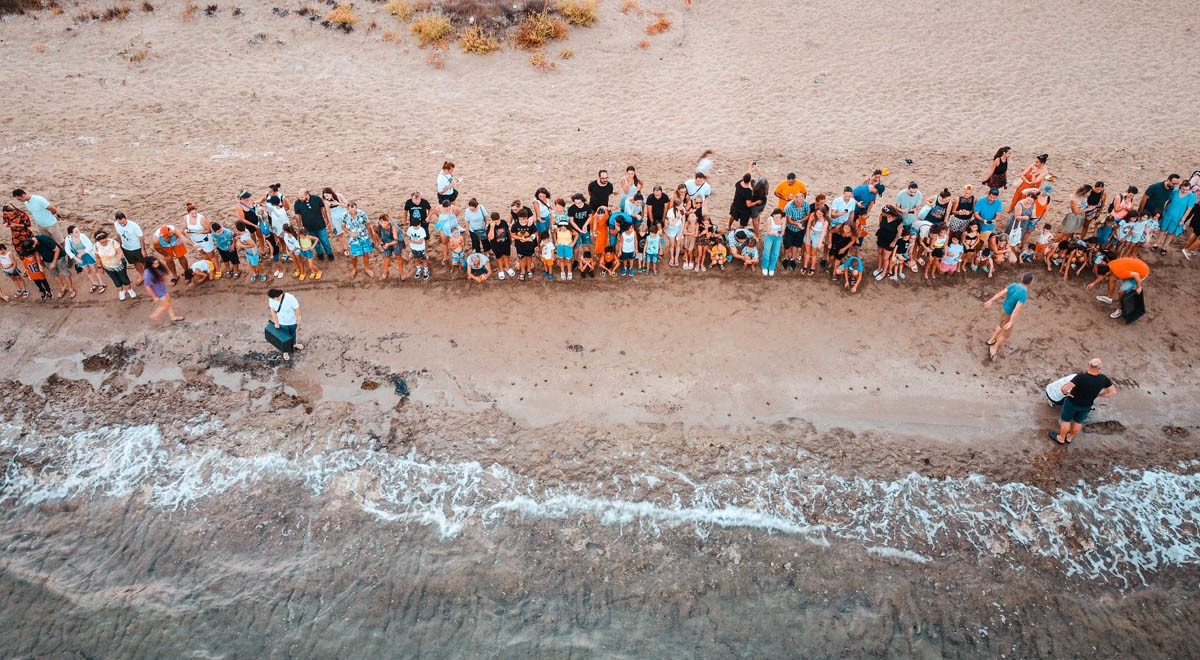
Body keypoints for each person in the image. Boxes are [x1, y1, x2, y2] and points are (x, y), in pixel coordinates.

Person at [1049, 358, 1116, 445]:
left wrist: (1066, 393)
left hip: (1072, 403)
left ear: (1089, 365)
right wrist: (1100, 395)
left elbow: (1064, 388)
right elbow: (1112, 391)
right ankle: (1070, 437)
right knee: (1078, 421)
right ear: (1100, 367)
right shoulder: (1103, 379)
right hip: (1086, 405)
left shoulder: (1080, 377)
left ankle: (1061, 438)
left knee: (1066, 420)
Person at [983, 273, 1033, 360]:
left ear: (1022, 279)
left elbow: (1000, 294)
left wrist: (990, 300)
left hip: (1003, 309)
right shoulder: (1024, 294)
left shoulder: (1013, 285)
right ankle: (994, 348)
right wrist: (1011, 321)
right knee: (1006, 335)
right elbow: (1016, 309)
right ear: (1030, 283)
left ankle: (991, 340)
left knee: (1000, 325)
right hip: (1009, 314)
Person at [1153, 180, 1195, 255]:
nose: (1185, 191)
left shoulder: (1191, 196)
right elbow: (1169, 201)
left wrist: (1183, 220)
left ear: (1189, 189)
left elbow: (1189, 209)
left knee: (1171, 232)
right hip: (1168, 213)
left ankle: (1164, 247)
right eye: (1183, 189)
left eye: (1187, 190)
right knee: (1162, 229)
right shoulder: (1175, 191)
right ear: (1180, 187)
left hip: (1178, 217)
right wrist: (1164, 210)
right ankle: (1156, 244)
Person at [63, 225, 105, 294]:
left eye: (78, 231)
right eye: (76, 232)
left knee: (94, 270)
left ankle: (101, 283)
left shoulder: (82, 236)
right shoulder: (68, 239)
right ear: (71, 234)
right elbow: (67, 250)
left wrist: (81, 254)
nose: (78, 233)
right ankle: (95, 283)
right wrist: (75, 258)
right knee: (87, 271)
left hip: (87, 254)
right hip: (78, 257)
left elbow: (90, 246)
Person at [293, 190, 333, 261]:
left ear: (307, 195)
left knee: (325, 240)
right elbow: (297, 215)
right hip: (308, 227)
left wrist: (325, 218)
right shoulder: (297, 203)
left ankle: (329, 253)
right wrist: (299, 226)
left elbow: (323, 208)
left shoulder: (316, 198)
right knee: (315, 242)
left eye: (302, 197)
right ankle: (320, 253)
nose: (300, 199)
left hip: (320, 224)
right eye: (299, 197)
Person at [143, 256, 183, 323]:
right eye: (155, 264)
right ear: (150, 265)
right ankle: (154, 316)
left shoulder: (159, 267)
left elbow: (163, 276)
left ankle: (172, 317)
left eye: (157, 263)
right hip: (157, 292)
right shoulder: (147, 274)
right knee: (165, 305)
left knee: (169, 302)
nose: (157, 265)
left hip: (163, 288)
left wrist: (168, 283)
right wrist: (154, 297)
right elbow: (147, 286)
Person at [267, 288, 302, 360]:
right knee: (284, 338)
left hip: (292, 322)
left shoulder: (290, 298)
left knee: (293, 334)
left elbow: (297, 308)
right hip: (282, 322)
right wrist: (276, 323)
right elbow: (273, 311)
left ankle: (294, 344)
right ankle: (285, 351)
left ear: (277, 296)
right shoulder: (272, 299)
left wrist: (298, 319)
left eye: (273, 298)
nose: (272, 300)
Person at [343, 201, 375, 278]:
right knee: (353, 256)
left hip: (364, 237)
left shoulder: (362, 214)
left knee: (365, 253)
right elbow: (343, 227)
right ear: (347, 209)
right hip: (353, 239)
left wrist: (372, 237)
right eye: (351, 211)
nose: (353, 212)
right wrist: (350, 233)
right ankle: (354, 269)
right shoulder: (345, 216)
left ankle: (367, 269)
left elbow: (368, 226)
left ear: (356, 208)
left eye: (354, 210)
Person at [113, 212, 146, 285]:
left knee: (144, 262)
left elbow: (141, 237)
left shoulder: (134, 226)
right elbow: (118, 234)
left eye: (124, 223)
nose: (122, 225)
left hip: (137, 247)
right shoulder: (116, 224)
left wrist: (143, 250)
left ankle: (151, 276)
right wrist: (120, 244)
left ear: (126, 218)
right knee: (135, 263)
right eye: (120, 223)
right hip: (126, 248)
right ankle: (142, 275)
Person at [782, 192, 809, 271]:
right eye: (798, 203)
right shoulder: (789, 206)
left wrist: (801, 220)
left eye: (801, 203)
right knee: (787, 245)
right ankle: (786, 258)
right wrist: (797, 224)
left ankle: (793, 259)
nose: (800, 205)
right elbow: (789, 220)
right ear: (795, 200)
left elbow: (808, 215)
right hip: (790, 228)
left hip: (800, 229)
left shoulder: (806, 203)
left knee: (796, 245)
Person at [321, 188, 350, 257]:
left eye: (327, 195)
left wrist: (338, 203)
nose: (326, 197)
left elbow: (348, 205)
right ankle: (345, 248)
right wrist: (331, 225)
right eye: (325, 196)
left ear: (331, 193)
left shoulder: (339, 196)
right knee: (340, 234)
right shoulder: (326, 202)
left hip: (344, 216)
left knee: (349, 230)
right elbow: (328, 213)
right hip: (335, 219)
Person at [512, 209, 537, 281]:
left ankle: (529, 270)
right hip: (520, 246)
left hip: (529, 245)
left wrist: (532, 237)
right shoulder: (515, 225)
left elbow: (536, 232)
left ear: (527, 218)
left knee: (529, 258)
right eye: (520, 219)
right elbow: (512, 235)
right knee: (521, 259)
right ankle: (522, 271)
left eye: (523, 219)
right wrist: (520, 237)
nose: (522, 221)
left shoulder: (530, 224)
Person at [761, 208, 785, 276]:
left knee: (776, 253)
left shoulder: (783, 219)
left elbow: (783, 230)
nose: (777, 218)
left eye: (779, 217)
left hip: (778, 238)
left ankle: (771, 267)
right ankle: (765, 267)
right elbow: (768, 232)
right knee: (766, 252)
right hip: (769, 237)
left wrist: (780, 234)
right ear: (773, 215)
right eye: (776, 217)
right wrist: (775, 233)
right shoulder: (770, 219)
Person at [554, 214, 577, 280]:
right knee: (561, 260)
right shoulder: (557, 230)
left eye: (564, 226)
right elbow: (554, 233)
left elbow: (577, 234)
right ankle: (562, 272)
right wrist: (555, 241)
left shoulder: (570, 231)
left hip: (568, 247)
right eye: (561, 226)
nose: (563, 227)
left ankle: (569, 272)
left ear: (567, 226)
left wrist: (573, 243)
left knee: (568, 260)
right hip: (560, 246)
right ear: (560, 226)